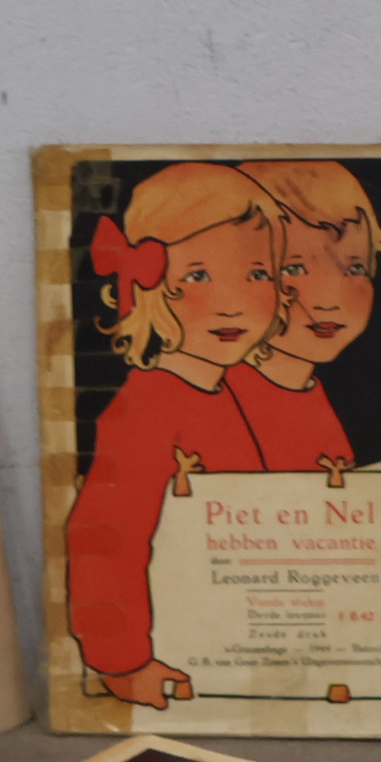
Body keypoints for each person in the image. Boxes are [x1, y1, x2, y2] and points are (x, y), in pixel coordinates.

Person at [66, 163, 284, 708]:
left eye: (257, 275)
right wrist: (123, 661)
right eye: (199, 277)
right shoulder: (145, 408)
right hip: (179, 660)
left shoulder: (240, 392)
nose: (232, 302)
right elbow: (102, 539)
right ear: (151, 284)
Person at [226, 159, 381, 517]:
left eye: (354, 267)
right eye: (293, 268)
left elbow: (325, 503)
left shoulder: (308, 390)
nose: (330, 299)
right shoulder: (225, 397)